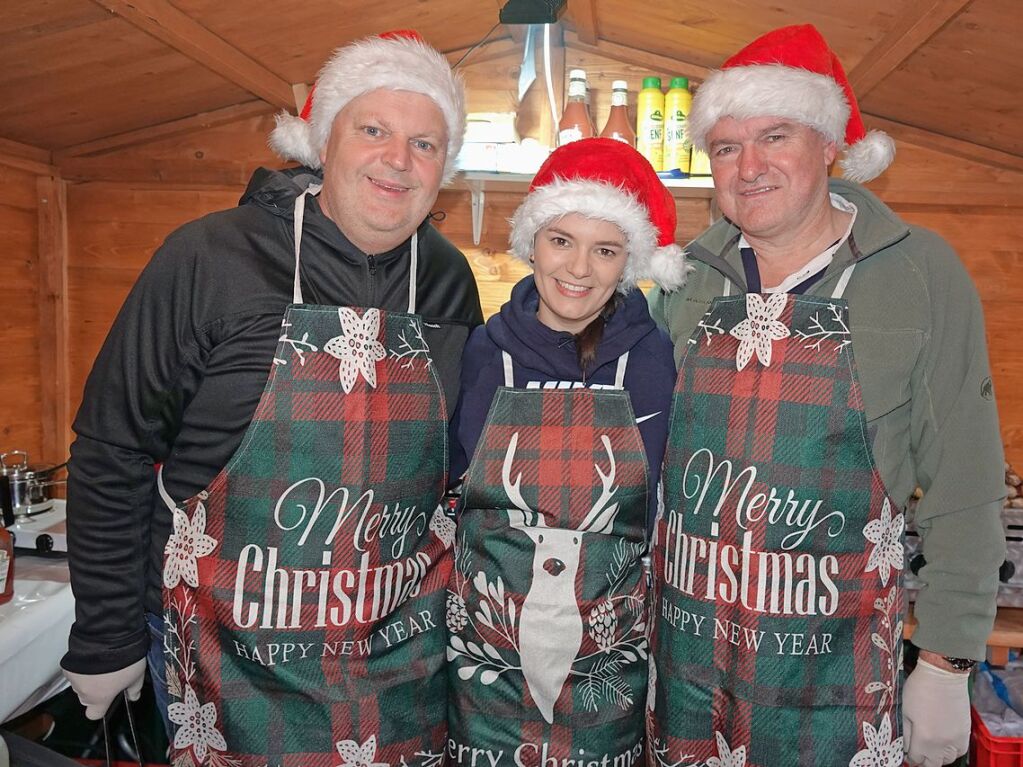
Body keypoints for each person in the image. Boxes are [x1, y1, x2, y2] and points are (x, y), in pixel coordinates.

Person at [61, 29, 483, 764]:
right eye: (374, 130)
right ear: (325, 141)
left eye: (425, 144)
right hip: (220, 643)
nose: (397, 159)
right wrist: (105, 637)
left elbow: (452, 467)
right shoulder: (209, 254)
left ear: (442, 168)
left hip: (392, 649)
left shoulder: (448, 278)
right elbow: (111, 449)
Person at [646, 24, 1006, 767]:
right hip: (683, 665)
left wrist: (944, 659)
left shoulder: (916, 273)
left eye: (774, 136)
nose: (748, 167)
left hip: (831, 675)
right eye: (724, 147)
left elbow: (965, 482)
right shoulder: (684, 276)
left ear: (829, 146)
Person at [445, 138, 687, 759]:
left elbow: (662, 500)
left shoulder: (653, 357)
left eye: (605, 250)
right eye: (562, 241)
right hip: (486, 648)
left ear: (629, 261)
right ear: (532, 244)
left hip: (611, 646)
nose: (579, 269)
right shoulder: (481, 352)